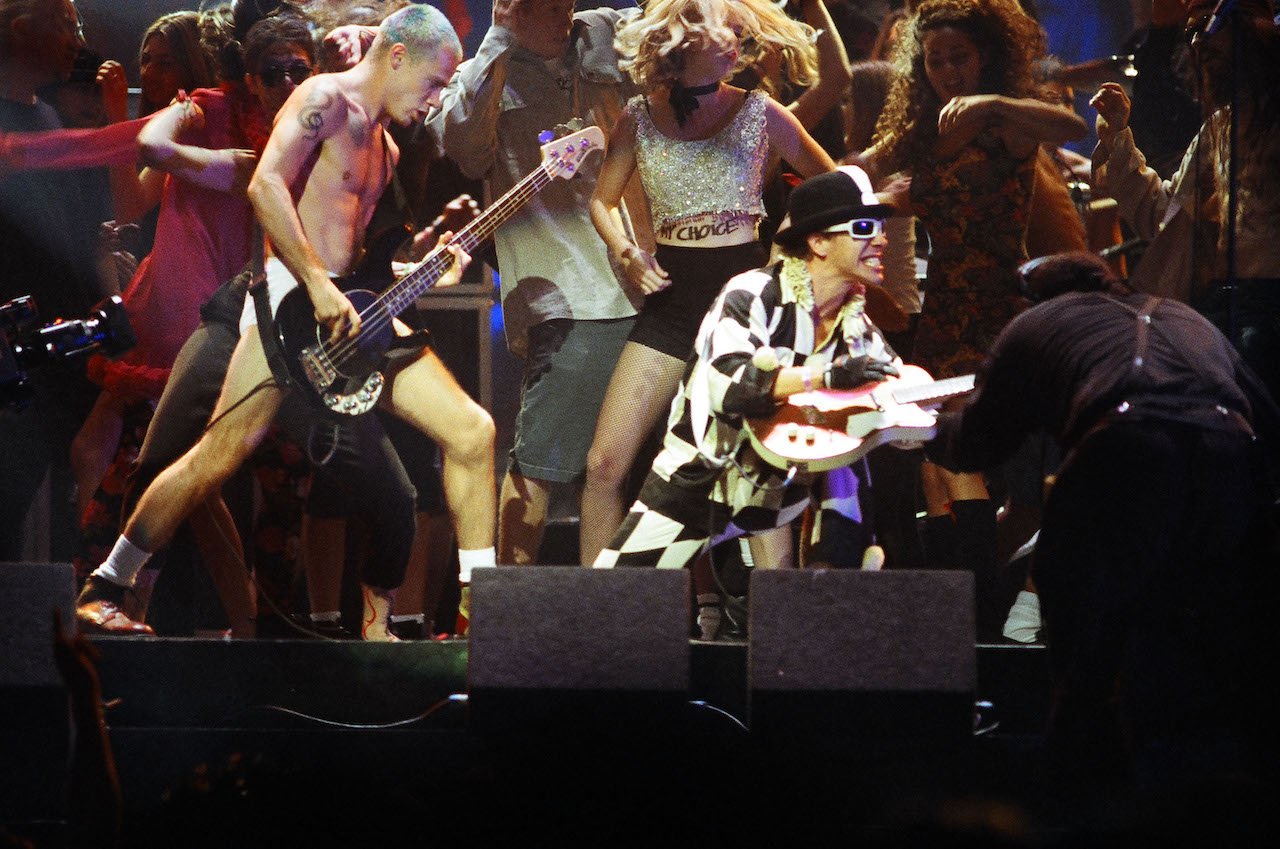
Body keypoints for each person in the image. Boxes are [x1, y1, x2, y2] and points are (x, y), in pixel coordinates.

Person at [75, 4, 495, 641]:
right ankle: (106, 585)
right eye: (435, 83)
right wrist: (320, 285)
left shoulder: (385, 144)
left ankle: (483, 610)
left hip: (343, 314)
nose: (437, 100)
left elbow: (358, 254)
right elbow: (265, 185)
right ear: (399, 56)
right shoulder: (323, 98)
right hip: (287, 303)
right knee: (217, 454)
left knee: (472, 431)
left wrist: (421, 265)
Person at [924, 250, 1279, 789]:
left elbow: (979, 440)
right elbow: (1267, 415)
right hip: (1230, 457)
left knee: (1084, 641)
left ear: (1038, 295)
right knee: (1216, 641)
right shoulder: (1186, 315)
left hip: (1122, 451)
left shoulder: (1038, 322)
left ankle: (1082, 789)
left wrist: (924, 431)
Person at [858, 0, 1086, 636]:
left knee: (1019, 465)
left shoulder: (1006, 124)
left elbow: (1068, 123)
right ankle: (977, 618)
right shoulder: (922, 129)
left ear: (985, 55)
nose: (948, 71)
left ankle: (1017, 602)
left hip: (1006, 313)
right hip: (945, 312)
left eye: (959, 57)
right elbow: (859, 170)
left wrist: (994, 106)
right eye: (935, 61)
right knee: (952, 463)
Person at [581, 0, 835, 566]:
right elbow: (602, 200)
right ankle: (594, 619)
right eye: (727, 28)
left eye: (740, 31)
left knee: (757, 472)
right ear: (683, 36)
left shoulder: (761, 111)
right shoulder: (638, 117)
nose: (736, 41)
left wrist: (786, 246)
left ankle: (777, 630)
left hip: (746, 306)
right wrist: (625, 250)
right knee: (604, 464)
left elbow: (833, 185)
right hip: (673, 301)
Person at [593, 165, 900, 571]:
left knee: (849, 471)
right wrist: (825, 377)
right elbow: (730, 387)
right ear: (819, 241)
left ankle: (840, 576)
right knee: (615, 596)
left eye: (880, 227)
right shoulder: (752, 294)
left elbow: (890, 387)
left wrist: (921, 412)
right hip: (704, 480)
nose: (881, 240)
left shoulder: (855, 322)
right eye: (864, 227)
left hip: (786, 486)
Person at [432, 0, 645, 569]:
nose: (563, 14)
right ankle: (508, 605)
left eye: (567, 2)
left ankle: (633, 608)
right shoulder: (488, 71)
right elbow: (460, 145)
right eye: (546, 5)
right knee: (540, 461)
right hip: (570, 295)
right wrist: (498, 39)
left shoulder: (607, 35)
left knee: (628, 467)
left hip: (653, 285)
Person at [1090, 0, 1280, 402]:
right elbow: (1166, 217)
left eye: (1209, 26)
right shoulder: (1219, 128)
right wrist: (1119, 139)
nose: (1199, 41)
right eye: (1191, 31)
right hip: (1230, 309)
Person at [0, 0, 112, 561]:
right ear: (21, 28)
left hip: (47, 340)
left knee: (29, 480)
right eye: (66, 24)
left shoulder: (45, 115)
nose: (77, 37)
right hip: (9, 340)